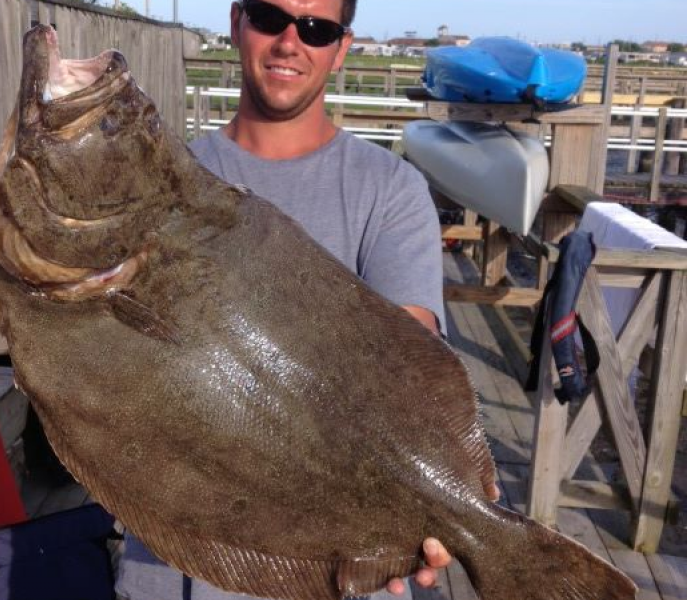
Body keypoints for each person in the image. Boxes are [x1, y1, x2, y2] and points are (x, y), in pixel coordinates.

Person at [117, 0, 499, 598]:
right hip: (172, 561)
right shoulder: (161, 181)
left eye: (316, 28)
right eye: (271, 17)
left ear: (341, 47)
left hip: (331, 564)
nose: (290, 42)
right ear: (238, 22)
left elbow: (407, 368)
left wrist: (443, 509)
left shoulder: (390, 190)